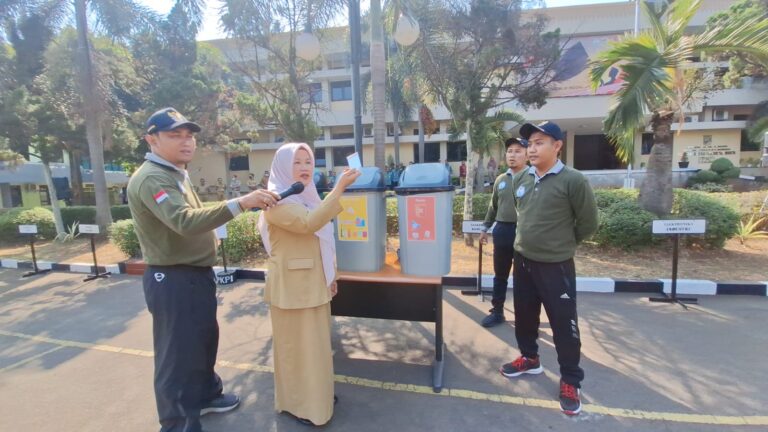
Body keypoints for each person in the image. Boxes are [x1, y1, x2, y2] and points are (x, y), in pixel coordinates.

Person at [128, 107, 280, 432]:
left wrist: (230, 213)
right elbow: (183, 221)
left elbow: (195, 213)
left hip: (194, 275)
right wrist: (242, 203)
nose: (186, 142)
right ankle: (177, 422)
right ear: (151, 139)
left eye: (189, 135)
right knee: (177, 355)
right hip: (172, 278)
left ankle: (206, 396)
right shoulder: (152, 178)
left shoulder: (174, 174)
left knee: (203, 341)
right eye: (175, 135)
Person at [258, 143, 360, 426]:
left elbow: (322, 244)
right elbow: (308, 225)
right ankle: (300, 405)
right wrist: (339, 188)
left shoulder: (307, 198)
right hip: (291, 289)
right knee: (296, 350)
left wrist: (331, 277)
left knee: (316, 349)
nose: (304, 167)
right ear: (282, 166)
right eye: (297, 162)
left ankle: (319, 397)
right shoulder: (275, 203)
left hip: (312, 285)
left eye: (308, 161)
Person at [500, 121, 598, 416]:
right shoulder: (522, 179)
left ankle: (570, 379)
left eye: (539, 142)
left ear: (557, 146)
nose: (532, 148)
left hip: (556, 266)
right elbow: (523, 216)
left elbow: (589, 224)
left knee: (563, 325)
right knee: (525, 317)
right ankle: (529, 358)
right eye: (529, 143)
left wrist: (561, 245)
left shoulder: (573, 180)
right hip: (524, 261)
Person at [479, 137, 529, 327]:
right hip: (502, 231)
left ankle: (525, 317)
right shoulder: (501, 179)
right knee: (500, 275)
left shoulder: (532, 178)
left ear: (526, 154)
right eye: (509, 151)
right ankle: (497, 311)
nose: (512, 155)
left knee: (524, 278)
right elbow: (493, 206)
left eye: (518, 151)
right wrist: (485, 228)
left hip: (524, 233)